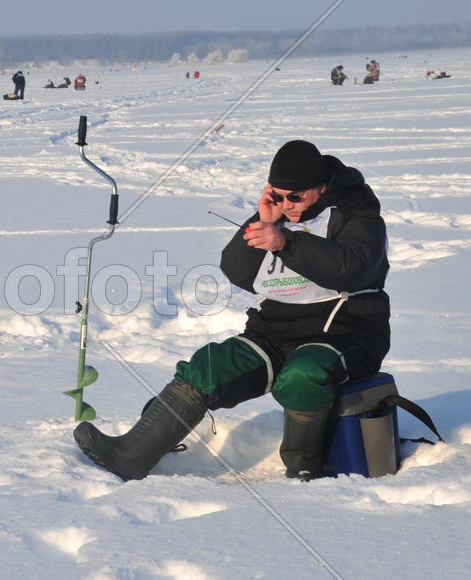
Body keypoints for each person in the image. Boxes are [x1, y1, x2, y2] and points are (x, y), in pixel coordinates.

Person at [74, 140, 390, 482]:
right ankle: (130, 456)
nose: (287, 204)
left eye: (295, 197)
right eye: (278, 195)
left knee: (302, 375)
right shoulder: (276, 217)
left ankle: (305, 470)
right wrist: (263, 220)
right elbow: (237, 271)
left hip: (347, 335)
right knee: (207, 368)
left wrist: (287, 243)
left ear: (322, 187)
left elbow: (352, 268)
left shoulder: (358, 214)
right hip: (274, 333)